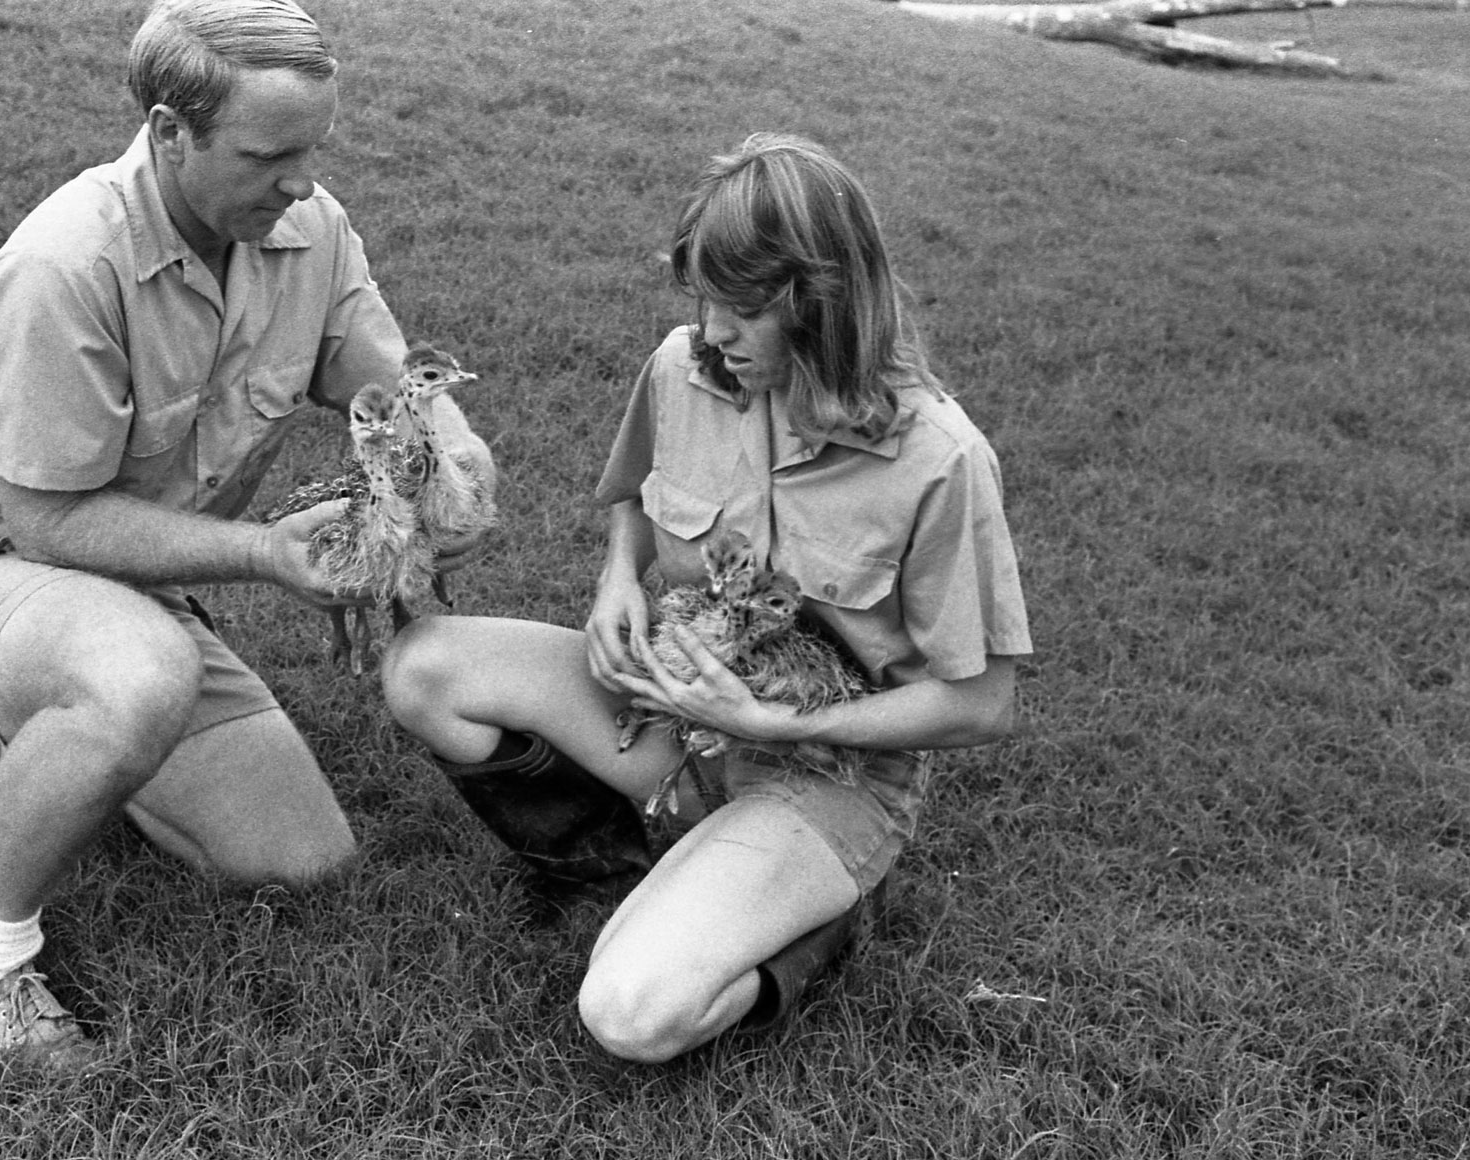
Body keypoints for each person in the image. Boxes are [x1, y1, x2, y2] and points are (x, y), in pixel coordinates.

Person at [0, 0, 489, 1065]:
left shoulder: (307, 225)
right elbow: (47, 519)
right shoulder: (64, 266)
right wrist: (267, 553)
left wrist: (445, 447)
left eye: (314, 149)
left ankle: (50, 729)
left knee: (300, 856)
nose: (302, 181)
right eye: (270, 155)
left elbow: (371, 368)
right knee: (142, 676)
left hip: (126, 581)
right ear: (171, 131)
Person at [382, 133, 1030, 1064]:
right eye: (704, 301)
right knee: (424, 667)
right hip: (673, 720)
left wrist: (778, 725)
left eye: (744, 309)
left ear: (823, 303)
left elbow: (981, 704)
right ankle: (632, 869)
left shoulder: (940, 462)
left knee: (632, 1014)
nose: (714, 331)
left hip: (825, 777)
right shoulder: (685, 368)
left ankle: (803, 926)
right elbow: (635, 502)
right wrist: (616, 586)